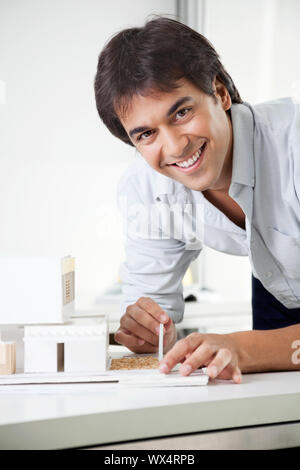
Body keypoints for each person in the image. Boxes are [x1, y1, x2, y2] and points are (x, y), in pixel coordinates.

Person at [94, 17, 300, 383]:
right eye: (145, 134)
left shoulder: (293, 145)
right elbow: (152, 314)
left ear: (220, 93)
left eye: (182, 112)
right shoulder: (147, 188)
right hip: (279, 290)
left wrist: (241, 347)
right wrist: (149, 330)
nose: (174, 147)